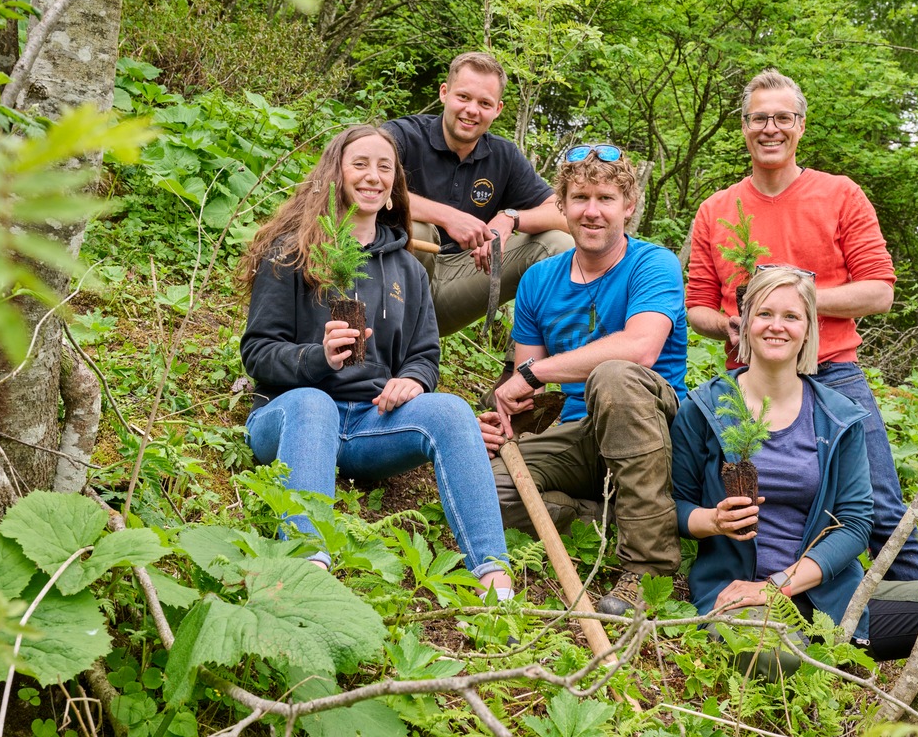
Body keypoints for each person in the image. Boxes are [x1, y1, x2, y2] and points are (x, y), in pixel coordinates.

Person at [671, 267, 918, 678]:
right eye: (764, 314)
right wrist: (710, 520)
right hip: (737, 594)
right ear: (744, 323)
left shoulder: (839, 417)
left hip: (833, 599)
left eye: (792, 316)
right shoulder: (705, 408)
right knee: (777, 660)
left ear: (809, 328)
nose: (776, 326)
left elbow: (855, 526)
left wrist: (779, 584)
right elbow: (674, 505)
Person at [238, 124, 512, 600]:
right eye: (359, 164)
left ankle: (493, 579)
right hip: (291, 418)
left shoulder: (406, 266)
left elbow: (425, 354)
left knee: (451, 410)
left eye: (384, 167)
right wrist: (316, 358)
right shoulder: (290, 252)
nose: (373, 176)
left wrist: (412, 381)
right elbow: (258, 352)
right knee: (313, 405)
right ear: (335, 176)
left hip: (370, 424)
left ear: (394, 187)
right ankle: (309, 572)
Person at [686, 68, 918, 584]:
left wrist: (791, 302)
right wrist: (733, 324)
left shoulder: (840, 195)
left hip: (832, 374)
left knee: (882, 511)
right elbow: (697, 308)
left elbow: (879, 291)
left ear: (800, 126)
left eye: (783, 117)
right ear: (744, 126)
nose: (770, 128)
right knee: (753, 512)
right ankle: (763, 614)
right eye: (759, 118)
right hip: (750, 384)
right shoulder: (716, 210)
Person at [479, 145, 687, 616]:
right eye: (580, 198)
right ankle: (604, 518)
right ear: (562, 206)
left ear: (628, 207)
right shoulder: (538, 280)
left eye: (606, 198)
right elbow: (524, 391)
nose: (592, 211)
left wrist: (533, 372)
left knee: (614, 376)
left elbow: (641, 348)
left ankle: (648, 567)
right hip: (579, 432)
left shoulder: (653, 264)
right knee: (488, 488)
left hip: (656, 431)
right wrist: (504, 414)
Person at [383, 51, 574, 342]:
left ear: (497, 109)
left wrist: (511, 218)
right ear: (444, 93)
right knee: (418, 228)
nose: (472, 110)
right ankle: (387, 355)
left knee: (558, 244)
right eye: (464, 97)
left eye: (484, 103)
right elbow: (360, 187)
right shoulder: (403, 136)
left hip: (460, 279)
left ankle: (521, 372)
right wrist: (448, 217)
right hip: (385, 290)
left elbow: (565, 213)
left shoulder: (503, 156)